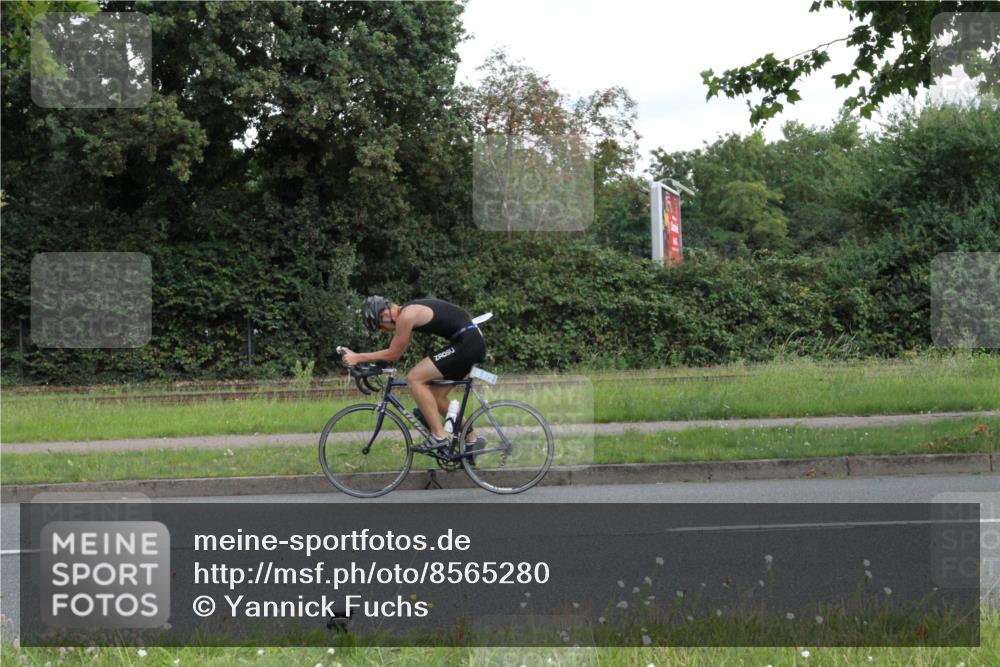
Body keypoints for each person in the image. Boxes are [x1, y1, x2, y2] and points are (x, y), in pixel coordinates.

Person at [340, 296, 487, 450]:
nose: (384, 331)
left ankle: (439, 435)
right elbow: (395, 351)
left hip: (468, 344)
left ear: (384, 315)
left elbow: (393, 354)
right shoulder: (408, 311)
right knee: (435, 396)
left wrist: (357, 357)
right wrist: (370, 362)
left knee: (414, 378)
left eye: (380, 327)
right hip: (469, 342)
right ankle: (472, 441)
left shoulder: (406, 316)